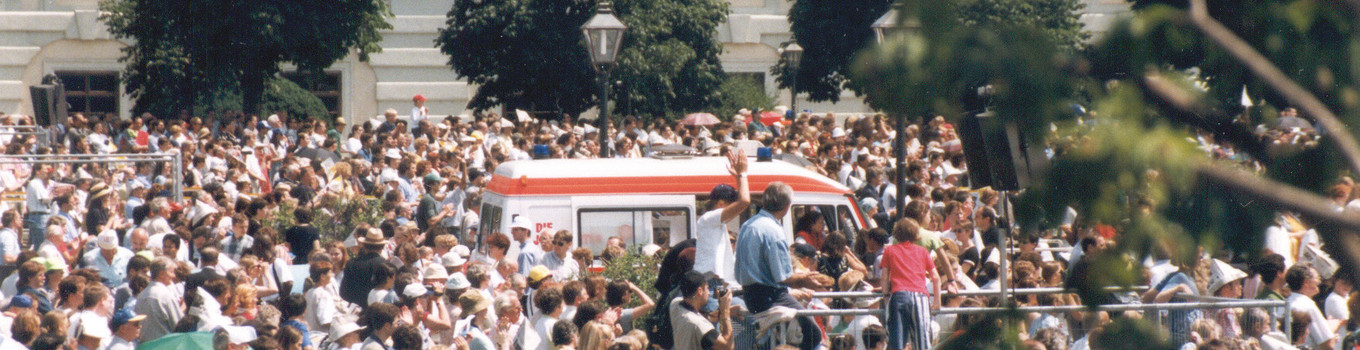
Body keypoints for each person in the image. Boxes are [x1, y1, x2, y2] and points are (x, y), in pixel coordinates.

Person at [734, 182, 823, 350]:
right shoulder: (773, 231)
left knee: (782, 337)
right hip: (769, 296)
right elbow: (783, 276)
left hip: (750, 295)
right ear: (787, 206)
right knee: (813, 335)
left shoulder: (748, 225)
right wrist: (805, 277)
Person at [880, 218, 939, 350]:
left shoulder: (889, 250)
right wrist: (937, 302)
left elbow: (884, 277)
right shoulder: (923, 251)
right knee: (922, 341)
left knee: (897, 341)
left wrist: (886, 297)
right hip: (920, 296)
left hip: (899, 295)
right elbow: (936, 277)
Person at [693, 149, 749, 288]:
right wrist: (742, 174)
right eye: (731, 204)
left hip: (715, 281)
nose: (734, 209)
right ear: (721, 203)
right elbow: (744, 201)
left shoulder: (714, 222)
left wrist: (738, 177)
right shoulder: (709, 219)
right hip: (710, 281)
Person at [670, 271, 732, 350]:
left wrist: (721, 311)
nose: (709, 293)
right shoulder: (699, 326)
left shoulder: (675, 304)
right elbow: (728, 346)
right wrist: (726, 312)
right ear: (700, 291)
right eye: (707, 289)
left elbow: (698, 315)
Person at [1285, 264, 1338, 349]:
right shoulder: (1307, 306)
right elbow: (1328, 345)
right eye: (1317, 278)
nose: (1319, 281)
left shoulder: (1283, 304)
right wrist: (1337, 324)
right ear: (1306, 282)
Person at [135, 256, 182, 343]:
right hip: (164, 345)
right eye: (171, 272)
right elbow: (179, 326)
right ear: (161, 274)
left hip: (145, 345)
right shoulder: (166, 296)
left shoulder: (141, 295)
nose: (174, 276)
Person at [341, 229, 390, 307]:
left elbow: (344, 293)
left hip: (355, 309)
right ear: (383, 247)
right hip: (376, 309)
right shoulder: (385, 265)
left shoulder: (351, 263)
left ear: (364, 245)